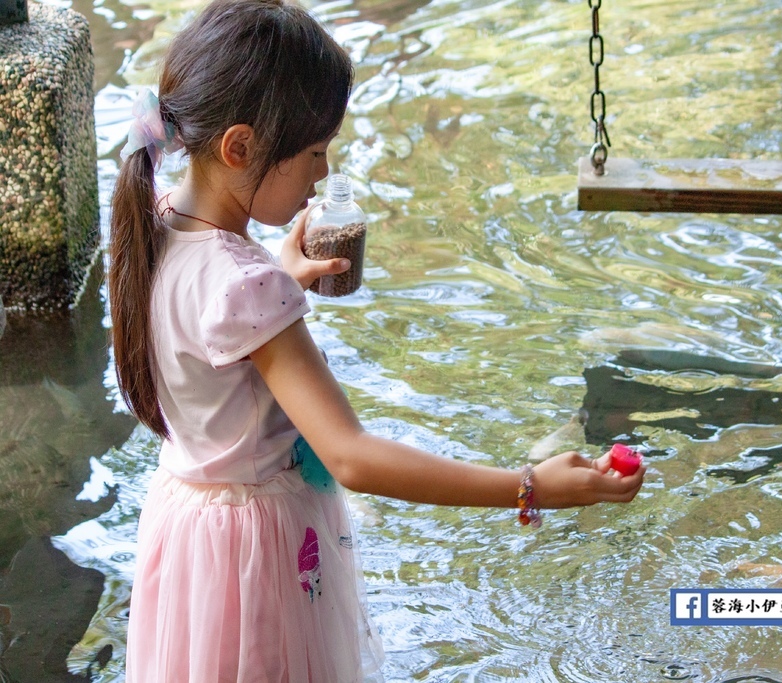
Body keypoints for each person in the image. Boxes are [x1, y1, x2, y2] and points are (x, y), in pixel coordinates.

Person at [108, 1, 645, 681]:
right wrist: (531, 486)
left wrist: (276, 272)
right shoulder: (245, 286)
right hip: (257, 556)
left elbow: (207, 325)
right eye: (312, 151)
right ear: (240, 148)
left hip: (188, 534)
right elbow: (352, 456)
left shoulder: (154, 221)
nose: (322, 172)